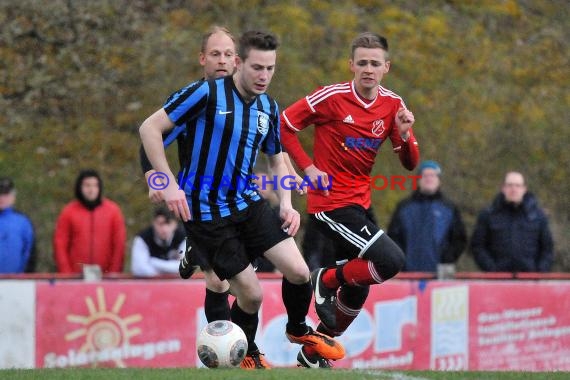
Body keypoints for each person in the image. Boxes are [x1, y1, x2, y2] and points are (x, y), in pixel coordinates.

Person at [139, 30, 344, 369]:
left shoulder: (267, 107)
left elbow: (277, 160)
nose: (264, 76)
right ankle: (245, 353)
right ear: (239, 63)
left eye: (270, 68)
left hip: (246, 203)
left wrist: (287, 204)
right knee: (251, 294)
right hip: (204, 211)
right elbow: (149, 129)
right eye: (257, 68)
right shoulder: (204, 93)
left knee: (298, 271)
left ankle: (298, 330)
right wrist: (165, 182)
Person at [281, 32, 419, 368]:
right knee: (390, 260)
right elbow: (283, 125)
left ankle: (313, 353)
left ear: (386, 67)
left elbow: (410, 164)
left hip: (360, 203)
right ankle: (323, 279)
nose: (368, 69)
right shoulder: (331, 97)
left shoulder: (393, 105)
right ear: (351, 66)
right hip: (329, 203)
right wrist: (308, 167)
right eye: (362, 63)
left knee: (359, 287)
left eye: (375, 63)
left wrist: (405, 136)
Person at [139, 26, 238, 324]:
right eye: (215, 54)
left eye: (228, 54)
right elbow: (150, 137)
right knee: (219, 281)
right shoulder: (192, 100)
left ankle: (192, 252)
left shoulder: (252, 99)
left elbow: (274, 146)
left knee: (246, 282)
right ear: (202, 59)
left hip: (240, 202)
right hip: (198, 201)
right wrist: (156, 179)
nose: (222, 60)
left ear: (238, 61)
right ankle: (224, 350)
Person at [387, 160, 467, 272]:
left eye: (433, 175)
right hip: (408, 275)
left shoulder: (449, 208)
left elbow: (459, 239)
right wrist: (401, 262)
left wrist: (447, 260)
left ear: (439, 180)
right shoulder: (404, 208)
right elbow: (393, 238)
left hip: (440, 276)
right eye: (425, 175)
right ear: (419, 180)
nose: (429, 179)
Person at [471, 171, 554, 272]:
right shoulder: (488, 215)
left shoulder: (538, 217)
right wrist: (491, 268)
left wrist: (540, 271)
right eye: (509, 185)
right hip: (497, 280)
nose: (513, 189)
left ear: (524, 189)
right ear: (503, 188)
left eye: (518, 186)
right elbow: (478, 246)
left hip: (530, 280)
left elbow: (547, 249)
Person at [53, 169, 126, 274]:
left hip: (105, 276)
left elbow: (119, 244)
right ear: (80, 187)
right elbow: (60, 245)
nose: (91, 190)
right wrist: (66, 273)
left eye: (95, 185)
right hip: (75, 276)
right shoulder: (68, 212)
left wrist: (113, 273)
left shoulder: (113, 212)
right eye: (87, 185)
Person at [131, 206, 186, 277]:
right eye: (160, 224)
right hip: (149, 284)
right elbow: (139, 269)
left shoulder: (184, 237)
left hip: (177, 284)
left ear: (175, 224)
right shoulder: (143, 238)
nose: (164, 229)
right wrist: (172, 268)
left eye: (168, 223)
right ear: (154, 223)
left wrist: (153, 262)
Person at [0, 177, 35, 274]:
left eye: (5, 194)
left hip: (16, 284)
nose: (2, 198)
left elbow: (30, 254)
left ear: (13, 196)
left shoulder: (23, 222)